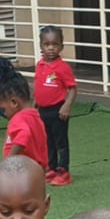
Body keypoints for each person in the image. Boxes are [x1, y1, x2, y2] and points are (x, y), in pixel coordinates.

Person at [0, 56, 48, 169]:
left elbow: (24, 134)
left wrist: (8, 161)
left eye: (3, 109)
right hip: (38, 172)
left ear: (14, 102)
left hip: (22, 172)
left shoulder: (17, 119)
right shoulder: (35, 116)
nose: (4, 114)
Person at [34, 25, 77, 186]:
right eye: (47, 44)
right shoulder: (40, 65)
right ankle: (51, 168)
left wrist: (66, 106)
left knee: (61, 143)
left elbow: (72, 89)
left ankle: (63, 171)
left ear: (61, 46)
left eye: (55, 44)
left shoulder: (62, 67)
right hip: (43, 111)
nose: (51, 48)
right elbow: (39, 86)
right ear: (41, 46)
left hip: (58, 111)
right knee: (47, 141)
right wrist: (35, 104)